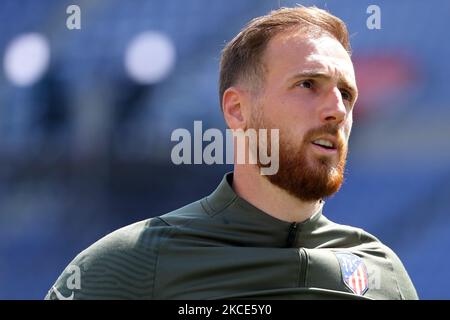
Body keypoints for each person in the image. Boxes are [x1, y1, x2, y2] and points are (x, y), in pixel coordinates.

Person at [46, 6, 418, 300]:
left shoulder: (383, 275)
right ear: (237, 110)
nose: (337, 109)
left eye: (347, 95)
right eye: (308, 84)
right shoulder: (127, 264)